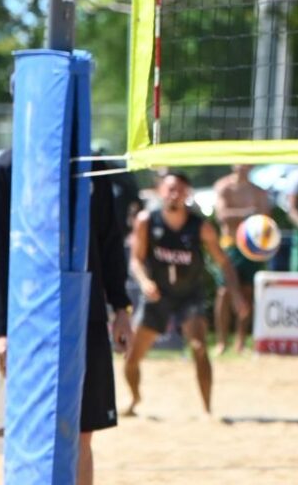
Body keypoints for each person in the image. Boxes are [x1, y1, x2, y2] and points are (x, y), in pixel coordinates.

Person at [0, 146, 132, 485]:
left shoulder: (92, 165)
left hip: (88, 315)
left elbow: (110, 240)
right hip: (30, 319)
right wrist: (0, 330)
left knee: (81, 434)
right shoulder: (5, 169)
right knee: (36, 432)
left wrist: (121, 308)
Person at [123, 170, 246, 417]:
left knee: (199, 347)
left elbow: (223, 262)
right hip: (157, 294)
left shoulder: (200, 227)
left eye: (179, 190)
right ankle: (135, 400)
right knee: (133, 356)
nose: (174, 194)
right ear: (160, 191)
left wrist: (236, 294)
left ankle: (208, 409)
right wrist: (145, 281)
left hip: (189, 294)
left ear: (187, 194)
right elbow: (135, 261)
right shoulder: (147, 221)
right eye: (170, 189)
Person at [210, 165, 273, 353]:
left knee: (247, 292)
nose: (243, 166)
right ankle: (221, 342)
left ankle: (240, 342)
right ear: (233, 164)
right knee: (224, 293)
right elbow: (222, 216)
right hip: (230, 245)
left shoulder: (258, 191)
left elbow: (265, 219)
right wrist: (246, 214)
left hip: (252, 248)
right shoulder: (224, 187)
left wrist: (242, 216)